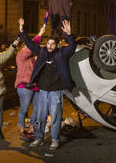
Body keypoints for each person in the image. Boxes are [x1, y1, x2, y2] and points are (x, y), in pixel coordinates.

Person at [18, 18, 76, 151]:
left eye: (52, 44)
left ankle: (55, 140)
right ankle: (39, 138)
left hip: (56, 92)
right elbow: (30, 44)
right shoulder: (42, 52)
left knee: (55, 117)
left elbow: (72, 47)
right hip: (42, 91)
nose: (49, 46)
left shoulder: (62, 54)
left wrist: (69, 34)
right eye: (48, 43)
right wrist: (22, 30)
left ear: (56, 45)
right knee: (40, 116)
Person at [15, 24, 46, 140]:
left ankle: (32, 127)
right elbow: (30, 47)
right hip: (24, 86)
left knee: (37, 108)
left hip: (35, 86)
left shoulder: (32, 59)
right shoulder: (20, 56)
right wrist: (40, 34)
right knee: (24, 108)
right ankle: (22, 130)